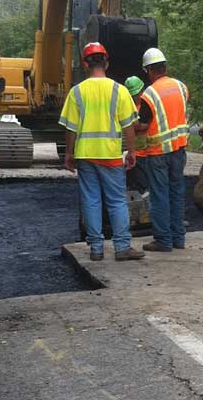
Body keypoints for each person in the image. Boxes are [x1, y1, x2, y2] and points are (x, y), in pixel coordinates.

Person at [60, 42, 145, 262]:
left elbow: (71, 128)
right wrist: (132, 152)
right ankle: (122, 247)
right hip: (110, 155)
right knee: (117, 201)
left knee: (91, 201)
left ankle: (96, 249)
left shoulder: (76, 92)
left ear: (84, 64)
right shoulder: (120, 91)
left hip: (85, 155)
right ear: (106, 62)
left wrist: (69, 154)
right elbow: (129, 126)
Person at [135, 47, 190, 253]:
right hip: (179, 150)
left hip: (158, 153)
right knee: (177, 193)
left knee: (159, 196)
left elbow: (144, 124)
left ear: (148, 70)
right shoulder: (181, 86)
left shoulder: (149, 94)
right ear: (165, 66)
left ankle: (163, 241)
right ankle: (178, 239)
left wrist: (130, 125)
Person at [124, 76, 149, 192]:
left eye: (136, 94)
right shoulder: (129, 107)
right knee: (133, 185)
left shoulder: (146, 105)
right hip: (134, 153)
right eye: (132, 95)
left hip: (147, 153)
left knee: (144, 184)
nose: (135, 97)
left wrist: (137, 125)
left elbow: (141, 125)